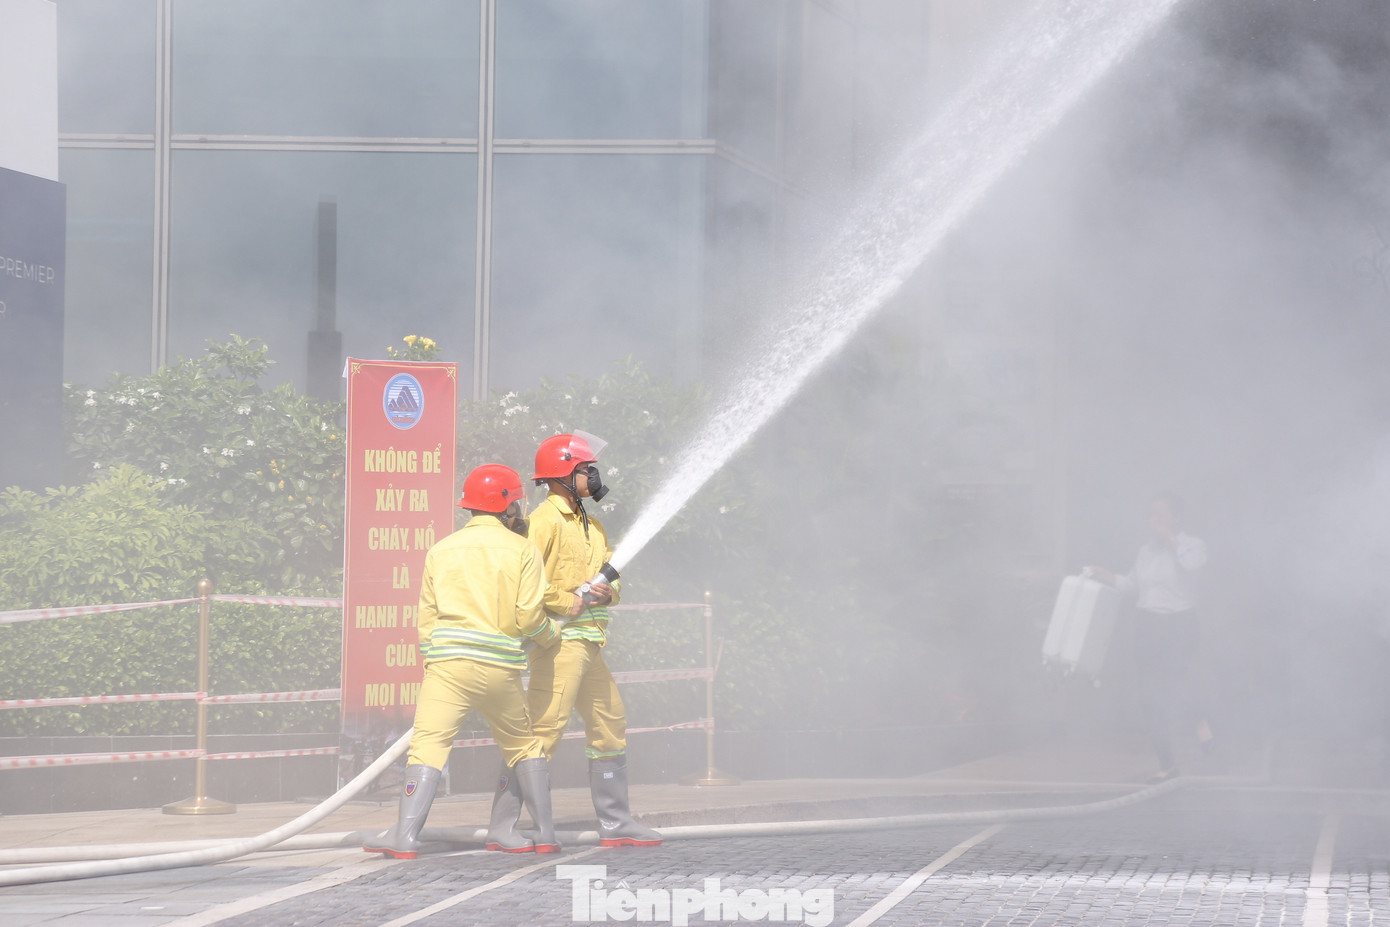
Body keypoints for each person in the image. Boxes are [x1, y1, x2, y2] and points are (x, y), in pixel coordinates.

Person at [364, 464, 562, 859]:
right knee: (523, 746)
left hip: (447, 666)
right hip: (499, 667)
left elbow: (426, 620)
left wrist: (434, 664)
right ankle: (545, 834)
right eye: (517, 503)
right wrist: (550, 636)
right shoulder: (523, 550)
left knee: (428, 747)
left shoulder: (441, 549)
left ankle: (404, 837)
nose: (520, 511)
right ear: (505, 506)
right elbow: (528, 617)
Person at [516, 431, 662, 847]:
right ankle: (513, 826)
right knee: (544, 730)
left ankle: (616, 824)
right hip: (560, 643)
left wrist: (607, 592)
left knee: (609, 723)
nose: (593, 476)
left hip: (589, 641)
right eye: (585, 469)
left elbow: (612, 578)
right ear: (563, 474)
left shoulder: (591, 524)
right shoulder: (542, 523)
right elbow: (525, 581)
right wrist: (566, 600)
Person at [1087, 491, 1212, 780]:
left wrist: (1171, 538)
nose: (1153, 521)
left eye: (1160, 515)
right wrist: (1104, 574)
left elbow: (1193, 566)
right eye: (1150, 515)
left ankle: (1203, 729)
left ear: (1175, 517)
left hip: (1179, 624)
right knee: (1149, 696)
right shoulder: (1146, 551)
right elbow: (1133, 585)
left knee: (1176, 689)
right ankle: (1166, 764)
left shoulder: (1193, 545)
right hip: (1148, 625)